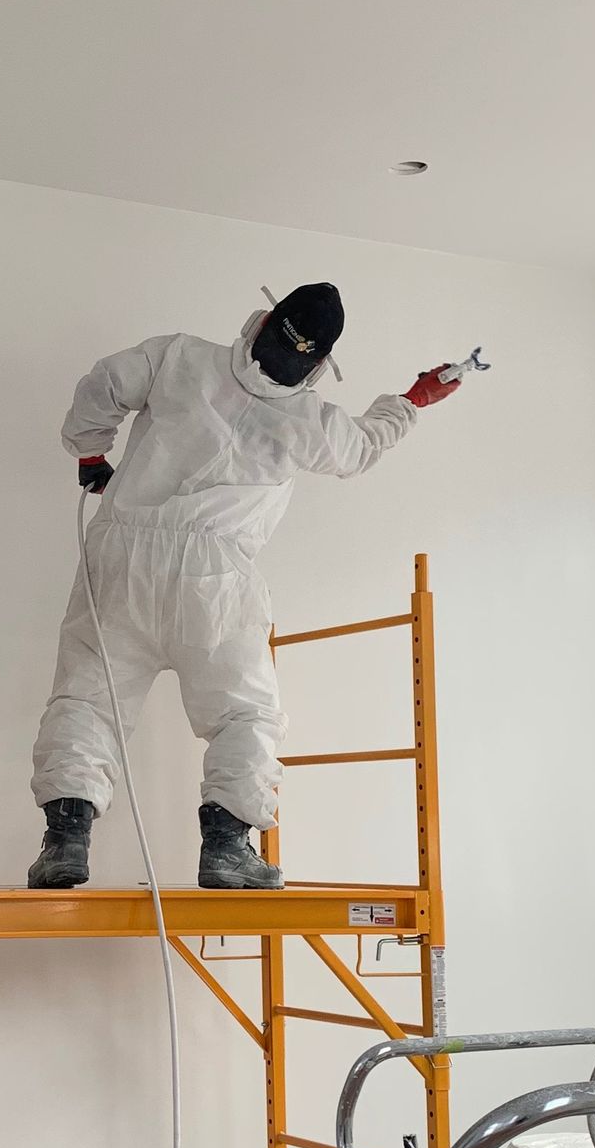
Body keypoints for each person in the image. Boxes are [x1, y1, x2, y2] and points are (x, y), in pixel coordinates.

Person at [27, 284, 461, 889]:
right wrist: (415, 398)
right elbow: (362, 448)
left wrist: (90, 453)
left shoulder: (177, 356)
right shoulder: (311, 419)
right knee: (245, 712)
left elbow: (103, 383)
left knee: (88, 698)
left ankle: (65, 842)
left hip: (122, 554)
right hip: (216, 576)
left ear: (258, 325)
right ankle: (228, 846)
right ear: (315, 368)